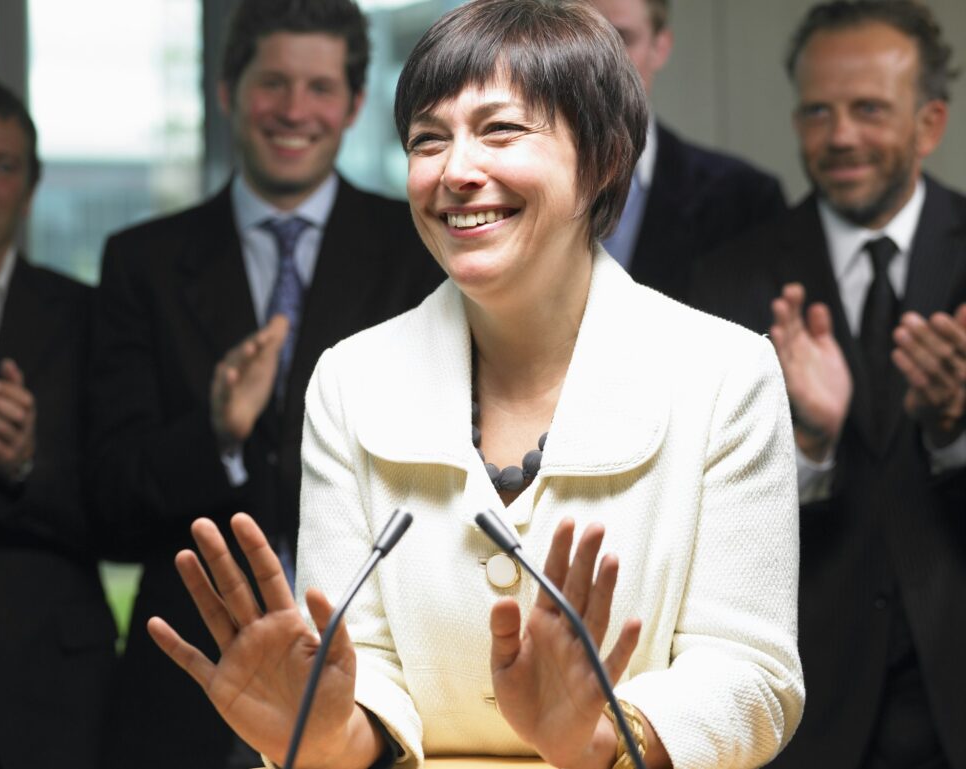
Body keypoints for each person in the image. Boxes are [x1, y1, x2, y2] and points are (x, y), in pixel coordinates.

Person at [149, 1, 805, 768]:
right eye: (428, 140)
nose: (456, 171)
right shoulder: (351, 380)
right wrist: (321, 732)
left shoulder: (725, 373)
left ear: (604, 156)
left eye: (500, 130)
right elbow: (367, 672)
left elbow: (753, 674)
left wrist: (597, 738)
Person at [89, 0, 444, 767]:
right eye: (272, 82)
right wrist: (215, 433)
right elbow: (108, 506)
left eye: (320, 87)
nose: (293, 110)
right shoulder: (139, 262)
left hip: (383, 684)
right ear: (227, 90)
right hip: (181, 693)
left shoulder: (421, 251)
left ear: (354, 104)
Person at [690, 2, 966, 768]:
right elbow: (706, 527)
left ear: (930, 121)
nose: (840, 136)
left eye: (869, 109)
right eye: (818, 111)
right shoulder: (731, 279)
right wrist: (805, 447)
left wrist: (956, 430)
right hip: (806, 710)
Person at [0, 75, 115, 769]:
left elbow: (123, 512)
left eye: (1, 164)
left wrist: (25, 464)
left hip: (62, 699)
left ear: (29, 187)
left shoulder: (88, 316)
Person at [586, 0, 786, 303]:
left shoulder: (745, 198)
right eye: (582, 37)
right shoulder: (507, 181)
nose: (598, 61)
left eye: (622, 38)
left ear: (661, 47)